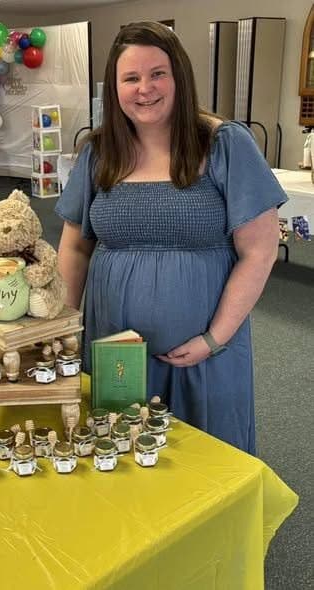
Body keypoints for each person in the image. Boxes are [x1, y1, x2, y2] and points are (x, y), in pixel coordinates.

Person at [55, 21, 289, 454]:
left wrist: (214, 338)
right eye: (131, 78)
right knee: (118, 449)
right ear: (115, 88)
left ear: (179, 76)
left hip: (205, 352)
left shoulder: (224, 144)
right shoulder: (99, 151)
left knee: (209, 458)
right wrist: (63, 329)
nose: (145, 88)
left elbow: (260, 252)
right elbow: (74, 245)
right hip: (114, 349)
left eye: (158, 73)